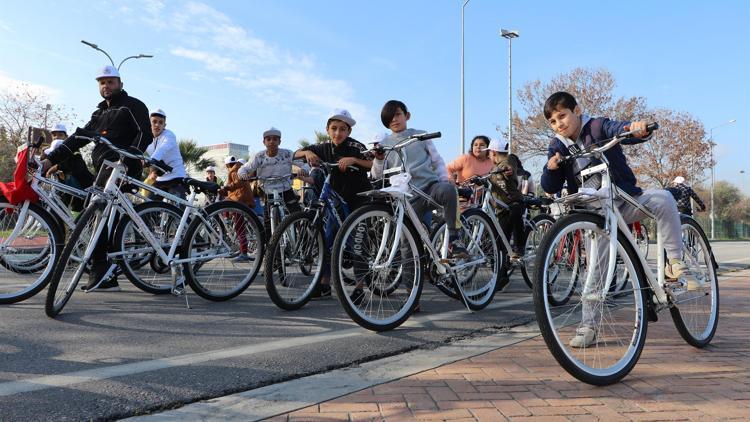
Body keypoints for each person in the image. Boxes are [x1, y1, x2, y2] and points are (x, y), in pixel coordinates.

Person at [540, 91, 686, 348]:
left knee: (663, 199)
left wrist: (635, 128)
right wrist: (551, 168)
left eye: (562, 116)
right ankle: (588, 326)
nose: (559, 123)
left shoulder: (596, 126)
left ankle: (675, 263)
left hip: (625, 200)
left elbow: (618, 129)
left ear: (577, 110)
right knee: (596, 268)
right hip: (597, 213)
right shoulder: (558, 145)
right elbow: (550, 185)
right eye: (553, 121)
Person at [41, 65, 151, 292]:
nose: (106, 86)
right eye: (102, 82)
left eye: (110, 81)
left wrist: (129, 158)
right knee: (92, 215)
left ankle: (102, 269)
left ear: (120, 83)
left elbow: (145, 134)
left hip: (123, 168)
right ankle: (102, 268)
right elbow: (78, 138)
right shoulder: (98, 114)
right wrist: (49, 160)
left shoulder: (133, 106)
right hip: (102, 171)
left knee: (98, 213)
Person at [294, 109, 373, 299]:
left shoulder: (356, 146)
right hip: (336, 201)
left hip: (359, 199)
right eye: (334, 128)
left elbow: (373, 163)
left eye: (343, 129)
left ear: (349, 132)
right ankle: (324, 284)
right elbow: (294, 154)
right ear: (327, 129)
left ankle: (360, 287)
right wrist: (306, 153)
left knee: (358, 244)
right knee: (328, 242)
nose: (338, 133)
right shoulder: (323, 147)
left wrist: (354, 159)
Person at [371, 100, 467, 256]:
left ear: (407, 116)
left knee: (448, 190)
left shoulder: (421, 135)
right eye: (389, 117)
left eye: (397, 114)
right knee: (407, 245)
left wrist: (444, 178)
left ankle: (454, 239)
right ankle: (411, 280)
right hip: (407, 199)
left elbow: (437, 161)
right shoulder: (384, 144)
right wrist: (379, 159)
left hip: (430, 188)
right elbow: (377, 175)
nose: (394, 120)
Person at [238, 127, 302, 241]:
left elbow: (302, 164)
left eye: (275, 139)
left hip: (286, 190)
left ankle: (303, 245)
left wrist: (304, 170)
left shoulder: (287, 153)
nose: (271, 141)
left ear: (279, 142)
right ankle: (271, 252)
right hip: (267, 192)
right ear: (264, 142)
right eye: (268, 139)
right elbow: (244, 169)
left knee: (298, 217)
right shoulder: (258, 156)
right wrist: (243, 175)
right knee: (268, 222)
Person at [485, 140, 525, 263]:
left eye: (489, 154)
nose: (488, 157)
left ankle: (519, 246)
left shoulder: (507, 161)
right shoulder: (493, 170)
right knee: (501, 240)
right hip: (502, 208)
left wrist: (509, 170)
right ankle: (501, 276)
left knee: (515, 213)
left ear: (493, 153)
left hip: (514, 202)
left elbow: (510, 165)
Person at [145, 108, 188, 200]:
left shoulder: (169, 135)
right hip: (160, 179)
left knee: (178, 210)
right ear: (149, 123)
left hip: (176, 177)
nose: (157, 125)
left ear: (165, 125)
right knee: (148, 207)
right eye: (154, 121)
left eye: (161, 122)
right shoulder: (147, 137)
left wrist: (150, 161)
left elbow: (161, 150)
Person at [219, 155, 256, 262]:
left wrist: (226, 188)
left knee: (239, 228)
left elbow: (238, 183)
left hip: (240, 200)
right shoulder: (237, 169)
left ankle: (244, 252)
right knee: (239, 228)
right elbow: (233, 186)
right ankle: (242, 250)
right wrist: (225, 189)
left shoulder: (234, 171)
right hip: (241, 199)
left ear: (227, 165)